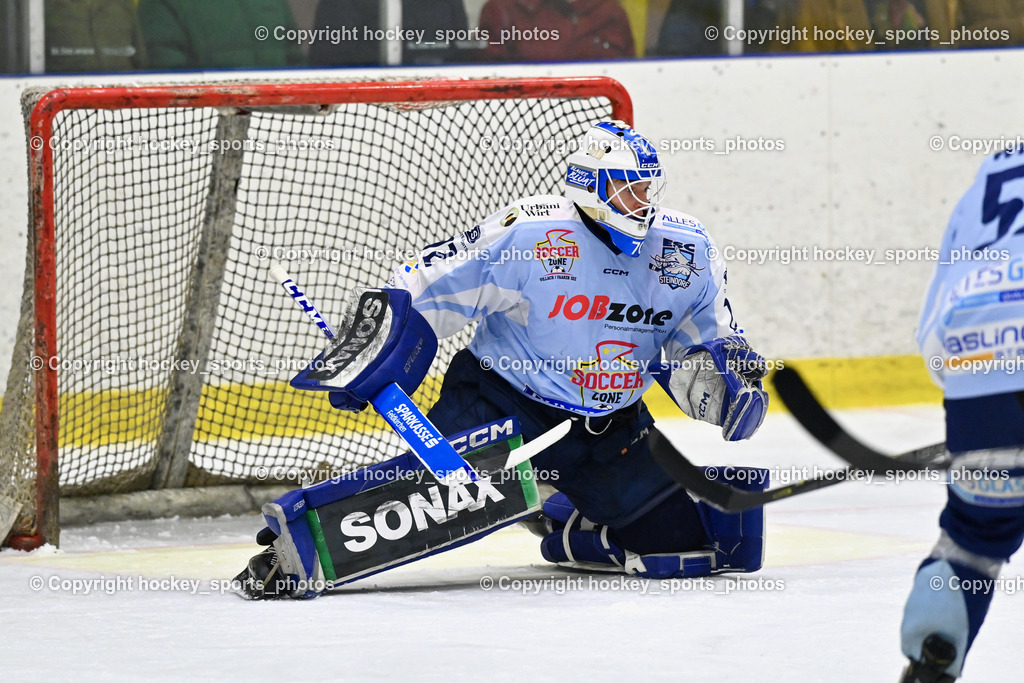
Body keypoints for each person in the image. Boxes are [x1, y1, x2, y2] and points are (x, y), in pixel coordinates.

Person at [236, 121, 769, 598]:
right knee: (427, 503)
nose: (642, 202)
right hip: (502, 403)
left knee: (682, 551)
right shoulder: (531, 232)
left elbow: (704, 339)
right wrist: (376, 349)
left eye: (647, 189)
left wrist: (729, 383)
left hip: (612, 431)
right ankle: (295, 549)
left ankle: (563, 515)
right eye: (628, 189)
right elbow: (431, 281)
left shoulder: (686, 250)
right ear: (591, 187)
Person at [900, 146, 1024, 681]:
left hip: (977, 365)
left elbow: (934, 324)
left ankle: (932, 663)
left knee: (973, 543)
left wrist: (979, 410)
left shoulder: (992, 171)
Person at [138, 0, 304, 70]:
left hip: (277, 123)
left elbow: (294, 58)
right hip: (201, 128)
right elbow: (166, 74)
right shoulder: (162, 4)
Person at [477, 0, 635, 62]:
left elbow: (631, 78)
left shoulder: (611, 12)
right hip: (528, 125)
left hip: (601, 125)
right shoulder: (504, 10)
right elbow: (489, 88)